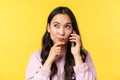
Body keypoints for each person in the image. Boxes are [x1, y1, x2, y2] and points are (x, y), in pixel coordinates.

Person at [26, 6, 97, 80]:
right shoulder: (37, 56)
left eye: (67, 26)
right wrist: (49, 60)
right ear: (48, 28)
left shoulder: (83, 55)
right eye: (56, 25)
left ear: (73, 30)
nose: (61, 32)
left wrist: (77, 56)